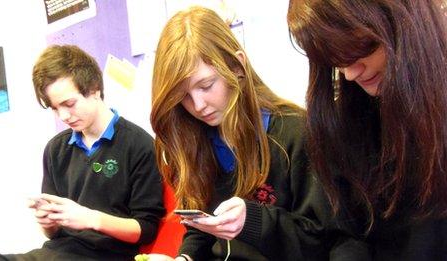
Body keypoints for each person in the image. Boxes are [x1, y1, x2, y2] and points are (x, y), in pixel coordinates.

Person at [146, 6, 365, 261]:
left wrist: (253, 221)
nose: (197, 105)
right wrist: (186, 258)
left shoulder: (296, 134)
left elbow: (331, 240)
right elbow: (201, 231)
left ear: (238, 66)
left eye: (206, 85)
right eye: (182, 96)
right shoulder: (197, 142)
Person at [287, 0, 447, 260]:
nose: (350, 73)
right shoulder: (348, 121)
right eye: (335, 59)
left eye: (363, 47)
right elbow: (350, 232)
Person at [0, 45, 165, 261]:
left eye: (69, 104)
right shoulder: (55, 150)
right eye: (55, 108)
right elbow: (56, 233)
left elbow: (145, 229)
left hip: (107, 255)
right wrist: (48, 223)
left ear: (95, 89)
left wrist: (89, 218)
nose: (63, 116)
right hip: (56, 252)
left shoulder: (139, 145)